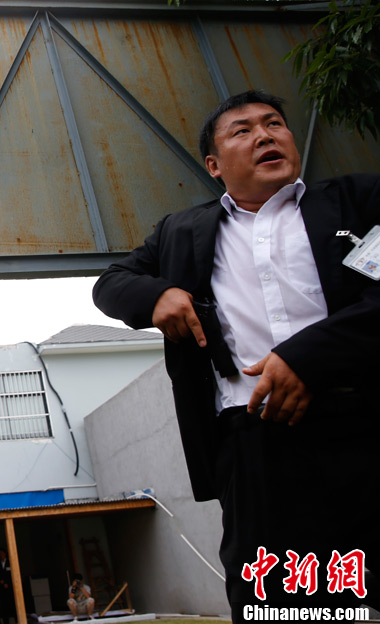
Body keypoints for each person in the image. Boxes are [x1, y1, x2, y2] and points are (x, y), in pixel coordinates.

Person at [93, 90, 379, 621]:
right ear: (214, 164)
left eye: (275, 124)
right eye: (242, 130)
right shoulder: (181, 231)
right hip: (253, 448)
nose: (266, 135)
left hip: (363, 425)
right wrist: (156, 295)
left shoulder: (357, 203)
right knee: (279, 606)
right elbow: (111, 284)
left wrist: (308, 357)